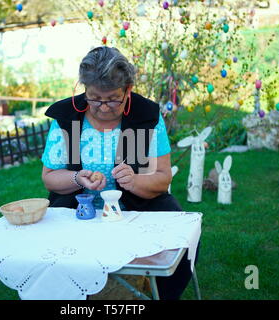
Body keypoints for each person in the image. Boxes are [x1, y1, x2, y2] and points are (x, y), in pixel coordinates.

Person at [41, 46, 199, 300]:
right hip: (76, 210)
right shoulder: (67, 117)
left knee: (182, 242)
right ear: (84, 90)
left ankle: (157, 296)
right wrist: (76, 178)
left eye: (113, 99)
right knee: (43, 252)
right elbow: (49, 176)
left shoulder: (144, 115)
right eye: (94, 98)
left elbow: (162, 177)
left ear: (128, 90)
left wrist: (135, 181)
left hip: (139, 208)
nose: (103, 107)